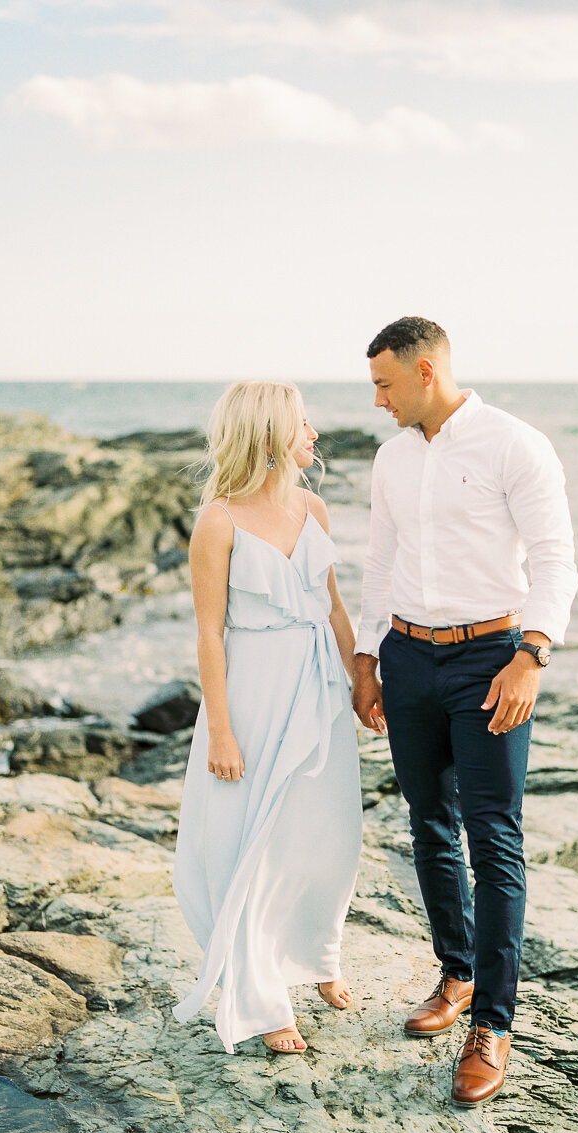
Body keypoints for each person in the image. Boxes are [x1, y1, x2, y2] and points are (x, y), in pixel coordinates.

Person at [351, 317, 578, 1107]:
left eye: (383, 383)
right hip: (408, 658)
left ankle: (493, 1022)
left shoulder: (515, 444)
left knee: (495, 833)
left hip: (492, 660)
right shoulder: (390, 457)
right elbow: (380, 559)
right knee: (428, 821)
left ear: (423, 372)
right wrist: (367, 659)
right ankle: (455, 970)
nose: (376, 399)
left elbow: (555, 557)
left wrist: (533, 654)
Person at [172, 380, 363, 1055]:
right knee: (249, 842)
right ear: (271, 435)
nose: (314, 434)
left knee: (327, 833)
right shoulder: (218, 520)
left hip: (319, 689)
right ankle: (258, 995)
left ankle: (318, 955)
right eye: (303, 424)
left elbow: (335, 607)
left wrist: (362, 681)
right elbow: (208, 633)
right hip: (252, 695)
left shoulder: (315, 507)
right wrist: (221, 729)